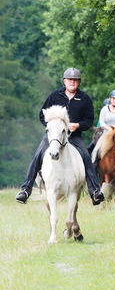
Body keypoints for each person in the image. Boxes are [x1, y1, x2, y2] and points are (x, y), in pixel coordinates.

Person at [15, 68, 105, 205]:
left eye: (75, 80)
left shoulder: (85, 99)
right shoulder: (54, 96)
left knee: (86, 156)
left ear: (79, 82)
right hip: (53, 136)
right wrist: (53, 126)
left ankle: (95, 191)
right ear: (64, 81)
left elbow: (89, 120)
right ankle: (25, 190)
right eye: (70, 80)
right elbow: (42, 115)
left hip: (73, 136)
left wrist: (78, 126)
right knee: (38, 155)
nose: (72, 82)